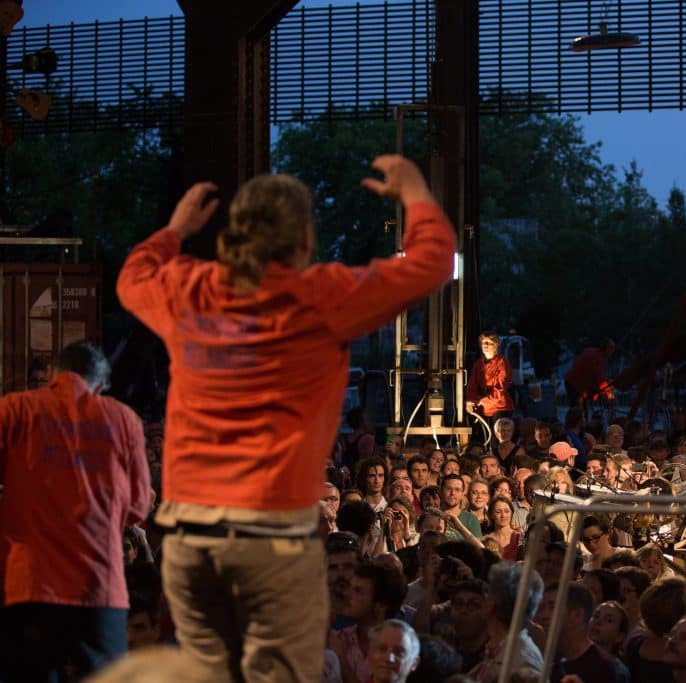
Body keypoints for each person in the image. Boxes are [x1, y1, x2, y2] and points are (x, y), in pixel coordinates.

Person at [115, 155, 455, 682]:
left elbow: (133, 279)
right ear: (304, 239)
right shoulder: (324, 295)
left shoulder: (191, 288)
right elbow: (433, 263)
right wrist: (414, 191)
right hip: (272, 542)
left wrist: (174, 231)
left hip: (191, 542)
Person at [0, 341, 151, 681]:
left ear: (53, 374)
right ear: (100, 384)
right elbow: (139, 506)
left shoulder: (14, 409)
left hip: (29, 585)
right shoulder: (124, 420)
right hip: (98, 586)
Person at [465, 332, 514, 431]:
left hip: (499, 407)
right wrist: (470, 401)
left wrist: (482, 400)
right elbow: (472, 386)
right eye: (484, 343)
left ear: (495, 346)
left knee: (497, 437)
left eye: (489, 343)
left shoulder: (502, 363)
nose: (486, 345)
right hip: (482, 408)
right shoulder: (478, 364)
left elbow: (501, 388)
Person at [564, 338, 615, 409]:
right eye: (611, 349)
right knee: (577, 411)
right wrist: (610, 397)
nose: (612, 352)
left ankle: (578, 417)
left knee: (581, 409)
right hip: (575, 384)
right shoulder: (598, 360)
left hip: (571, 380)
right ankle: (576, 418)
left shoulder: (591, 350)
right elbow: (600, 381)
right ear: (606, 349)